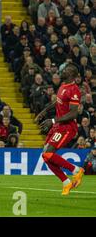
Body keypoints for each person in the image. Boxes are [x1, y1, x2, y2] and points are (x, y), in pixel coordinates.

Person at [35, 64, 84, 195]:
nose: (63, 71)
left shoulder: (74, 90)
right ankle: (66, 183)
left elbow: (74, 113)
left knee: (48, 154)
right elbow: (58, 102)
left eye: (66, 70)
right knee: (45, 157)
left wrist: (52, 120)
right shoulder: (63, 86)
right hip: (58, 126)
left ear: (72, 74)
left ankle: (76, 170)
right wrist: (44, 111)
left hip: (67, 127)